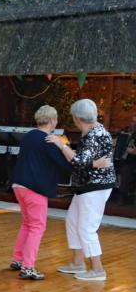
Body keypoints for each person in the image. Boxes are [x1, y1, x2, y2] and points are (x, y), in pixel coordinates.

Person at [46, 99, 116, 281]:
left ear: (77, 118)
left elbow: (78, 162)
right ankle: (78, 263)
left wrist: (61, 145)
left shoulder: (94, 135)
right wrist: (92, 163)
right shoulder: (92, 130)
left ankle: (98, 270)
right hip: (86, 186)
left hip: (95, 187)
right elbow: (84, 161)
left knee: (87, 227)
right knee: (72, 220)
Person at [7, 106, 74, 280]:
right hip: (34, 189)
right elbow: (66, 165)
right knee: (37, 226)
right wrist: (64, 147)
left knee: (28, 223)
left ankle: (17, 259)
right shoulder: (49, 140)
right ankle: (28, 267)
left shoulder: (28, 136)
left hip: (18, 185)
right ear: (52, 120)